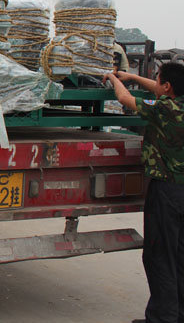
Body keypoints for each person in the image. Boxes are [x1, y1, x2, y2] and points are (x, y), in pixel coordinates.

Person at [105, 63, 184, 323]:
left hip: (167, 191)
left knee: (159, 254)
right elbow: (160, 89)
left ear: (168, 86)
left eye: (158, 79)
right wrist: (132, 76)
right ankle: (177, 313)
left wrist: (113, 78)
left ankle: (163, 318)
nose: (157, 83)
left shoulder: (163, 110)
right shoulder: (175, 104)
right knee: (179, 255)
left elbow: (124, 99)